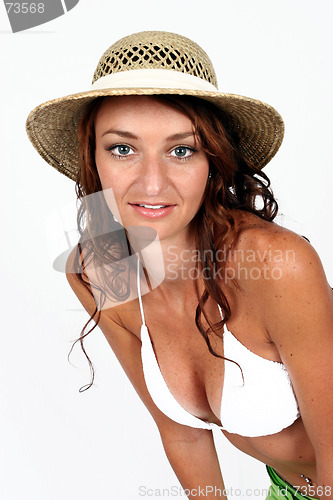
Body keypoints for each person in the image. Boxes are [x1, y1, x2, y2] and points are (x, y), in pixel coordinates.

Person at [26, 31, 333, 500]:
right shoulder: (99, 268)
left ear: (214, 159)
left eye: (182, 150)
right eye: (122, 148)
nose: (152, 183)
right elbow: (183, 434)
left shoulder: (275, 264)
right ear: (92, 158)